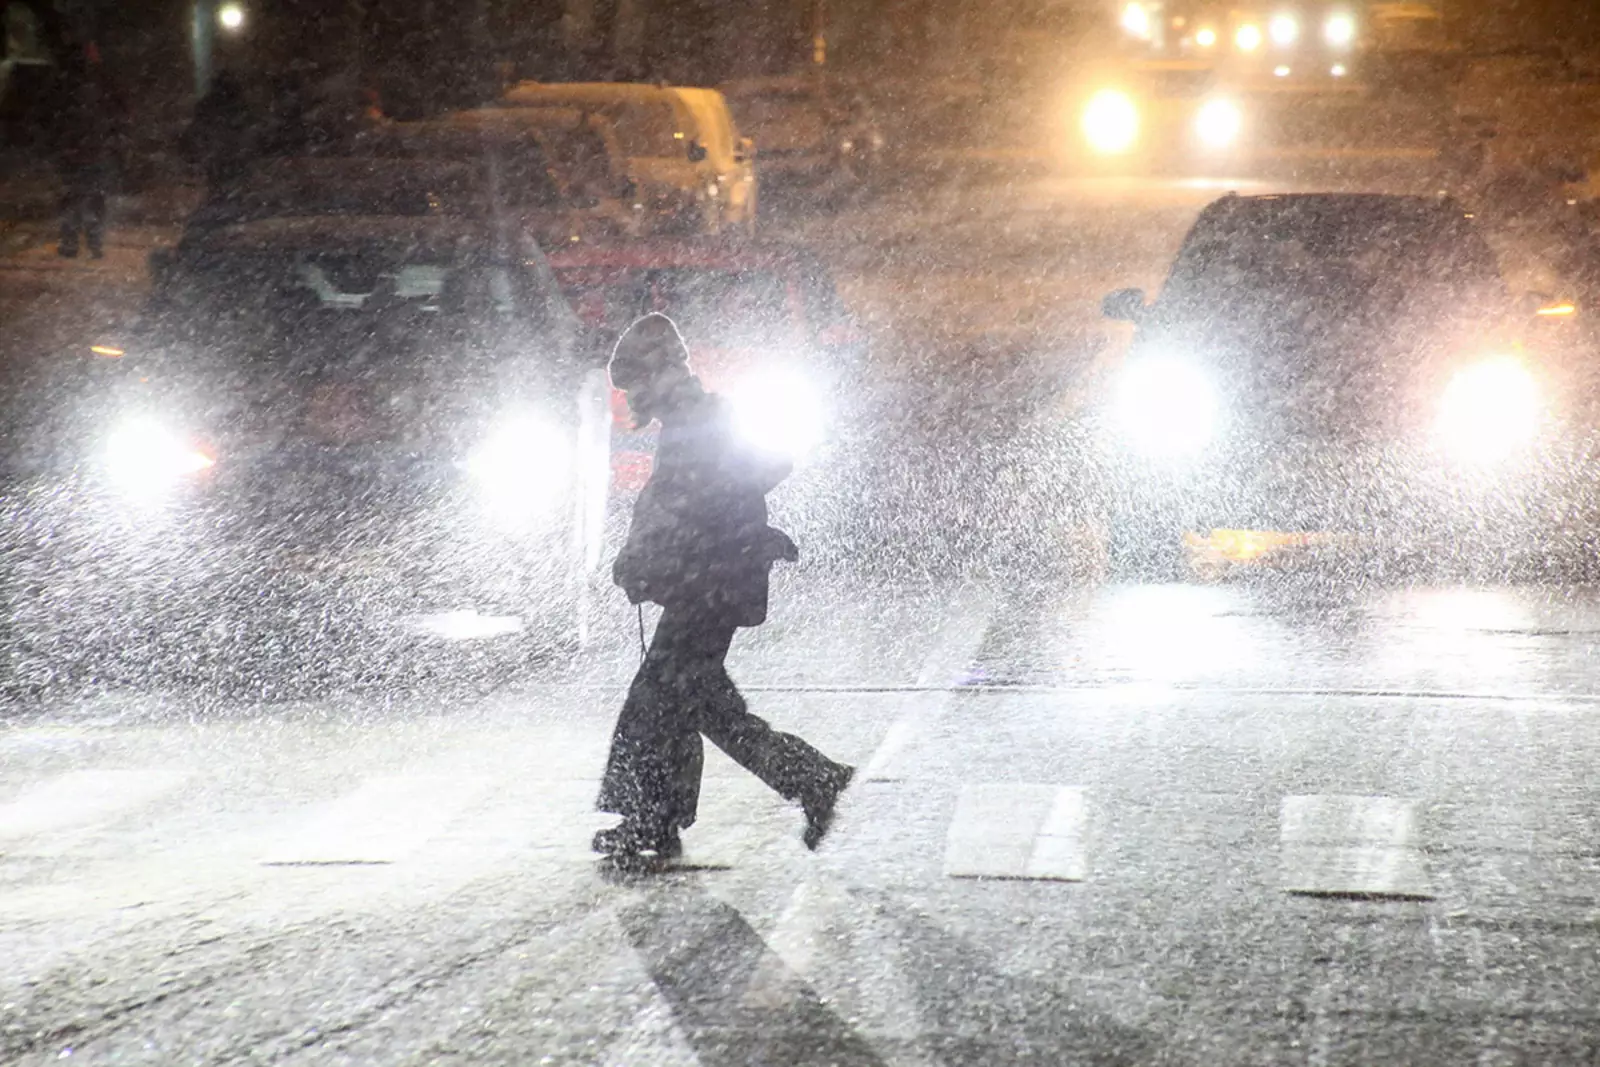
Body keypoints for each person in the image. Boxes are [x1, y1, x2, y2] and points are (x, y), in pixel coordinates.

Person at [595, 313, 854, 862]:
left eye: (635, 384)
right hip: (713, 581)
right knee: (698, 704)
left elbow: (689, 505)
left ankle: (653, 823)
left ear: (660, 372)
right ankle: (807, 779)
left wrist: (652, 557)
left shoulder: (697, 420)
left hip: (709, 585)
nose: (633, 398)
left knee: (658, 702)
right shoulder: (695, 417)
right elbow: (719, 489)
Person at [46, 43, 122, 259]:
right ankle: (94, 243)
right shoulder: (101, 83)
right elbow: (118, 111)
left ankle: (71, 243)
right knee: (94, 198)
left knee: (72, 197)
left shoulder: (63, 85)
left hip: (72, 151)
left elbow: (49, 118)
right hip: (96, 150)